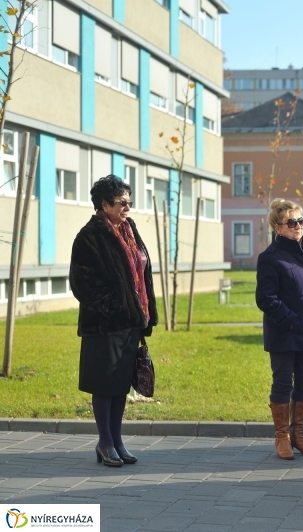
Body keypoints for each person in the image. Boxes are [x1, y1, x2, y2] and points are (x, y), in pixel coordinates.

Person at [70, 175, 158, 467]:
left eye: (129, 202)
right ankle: (104, 442)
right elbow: (82, 284)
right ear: (104, 204)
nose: (127, 208)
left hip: (131, 321)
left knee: (121, 384)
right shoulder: (89, 236)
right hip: (105, 323)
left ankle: (117, 441)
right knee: (104, 384)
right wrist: (116, 307)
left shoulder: (129, 229)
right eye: (121, 202)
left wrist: (141, 312)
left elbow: (141, 272)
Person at [256, 199, 303, 460]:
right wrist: (291, 320)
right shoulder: (270, 258)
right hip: (285, 331)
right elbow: (265, 298)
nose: (298, 226)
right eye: (292, 222)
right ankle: (282, 437)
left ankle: (299, 434)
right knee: (282, 383)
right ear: (278, 227)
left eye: (301, 220)